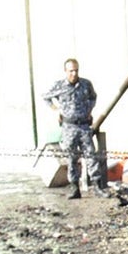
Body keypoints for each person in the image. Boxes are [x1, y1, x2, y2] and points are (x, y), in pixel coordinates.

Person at [44, 58, 105, 199]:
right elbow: (46, 98)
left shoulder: (85, 84)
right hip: (69, 126)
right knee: (71, 158)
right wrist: (56, 110)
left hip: (83, 126)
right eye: (71, 70)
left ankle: (97, 186)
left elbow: (93, 97)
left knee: (91, 156)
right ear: (65, 71)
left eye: (76, 70)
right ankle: (74, 188)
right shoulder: (59, 86)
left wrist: (89, 110)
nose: (74, 73)